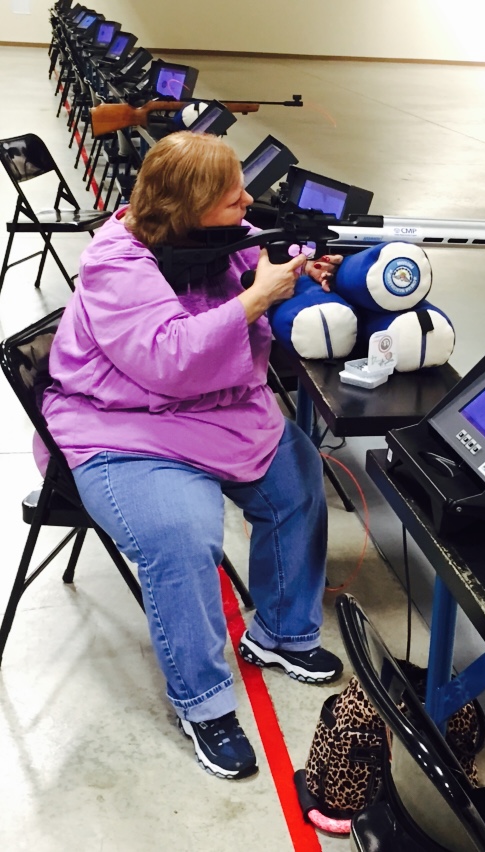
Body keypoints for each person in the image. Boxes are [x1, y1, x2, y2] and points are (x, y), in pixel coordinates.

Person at [41, 131, 344, 780]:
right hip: (120, 428)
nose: (246, 197)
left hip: (214, 410)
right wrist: (259, 297)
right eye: (230, 195)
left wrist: (299, 270)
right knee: (182, 536)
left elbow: (256, 253)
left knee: (296, 477)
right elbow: (168, 355)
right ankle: (203, 703)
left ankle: (284, 632)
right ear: (184, 207)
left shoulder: (212, 236)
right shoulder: (115, 263)